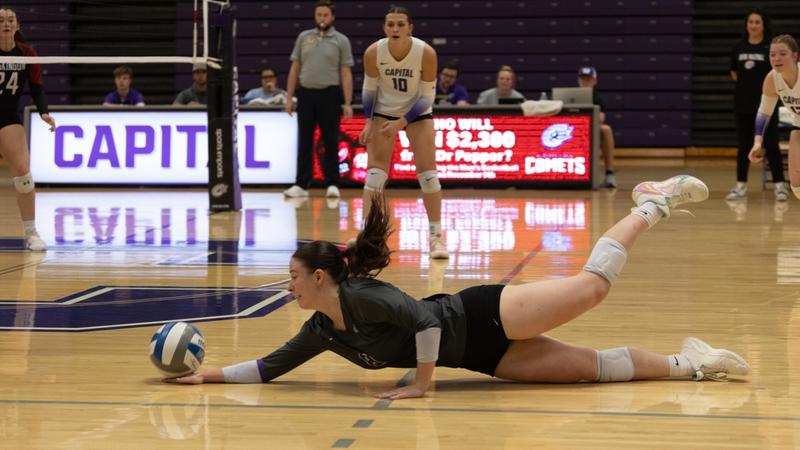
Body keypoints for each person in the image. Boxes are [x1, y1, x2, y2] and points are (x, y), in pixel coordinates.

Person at [166, 174, 751, 398]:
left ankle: (651, 204)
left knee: (592, 288)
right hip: (479, 359)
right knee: (589, 369)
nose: (286, 286)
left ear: (320, 277)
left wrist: (421, 384)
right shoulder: (324, 329)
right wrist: (204, 376)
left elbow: (423, 322)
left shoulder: (362, 295)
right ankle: (692, 365)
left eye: (292, 277)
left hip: (483, 315)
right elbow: (269, 367)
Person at [357, 6, 448, 259]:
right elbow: (369, 90)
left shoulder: (425, 53)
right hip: (384, 112)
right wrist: (367, 121)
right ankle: (370, 237)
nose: (395, 29)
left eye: (400, 24)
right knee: (375, 176)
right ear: (385, 27)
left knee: (428, 175)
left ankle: (436, 238)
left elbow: (428, 95)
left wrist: (402, 121)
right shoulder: (374, 52)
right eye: (390, 24)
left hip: (417, 113)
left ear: (410, 28)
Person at [283, 0, 354, 199]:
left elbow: (346, 72)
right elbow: (294, 68)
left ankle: (332, 183)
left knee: (331, 141)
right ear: (315, 16)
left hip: (330, 95)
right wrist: (289, 98)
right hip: (306, 94)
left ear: (332, 17)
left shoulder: (341, 40)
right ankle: (301, 185)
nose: (322, 18)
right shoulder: (304, 37)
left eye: (325, 15)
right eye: (319, 14)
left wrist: (347, 102)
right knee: (304, 141)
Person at [0, 7, 55, 251]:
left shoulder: (26, 54)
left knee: (23, 174)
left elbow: (37, 88)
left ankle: (31, 233)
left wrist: (44, 112)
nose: (6, 23)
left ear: (17, 25)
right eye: (1, 20)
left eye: (10, 20)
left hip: (7, 118)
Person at [728, 10, 787, 201]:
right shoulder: (738, 47)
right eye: (750, 22)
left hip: (767, 104)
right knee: (744, 145)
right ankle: (740, 187)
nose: (753, 25)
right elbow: (735, 74)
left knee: (771, 144)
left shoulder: (770, 48)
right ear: (747, 25)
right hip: (743, 105)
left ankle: (779, 186)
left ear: (763, 25)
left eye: (757, 22)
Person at [749, 35, 800, 197]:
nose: (776, 58)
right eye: (772, 54)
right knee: (796, 183)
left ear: (795, 55)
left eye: (782, 54)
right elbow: (764, 112)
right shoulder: (772, 79)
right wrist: (757, 142)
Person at [577, 66, 617, 188]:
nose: (585, 82)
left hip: (590, 129)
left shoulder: (597, 99)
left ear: (594, 81)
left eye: (588, 79)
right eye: (583, 79)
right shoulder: (570, 96)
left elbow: (601, 119)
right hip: (571, 129)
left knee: (606, 129)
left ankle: (609, 174)